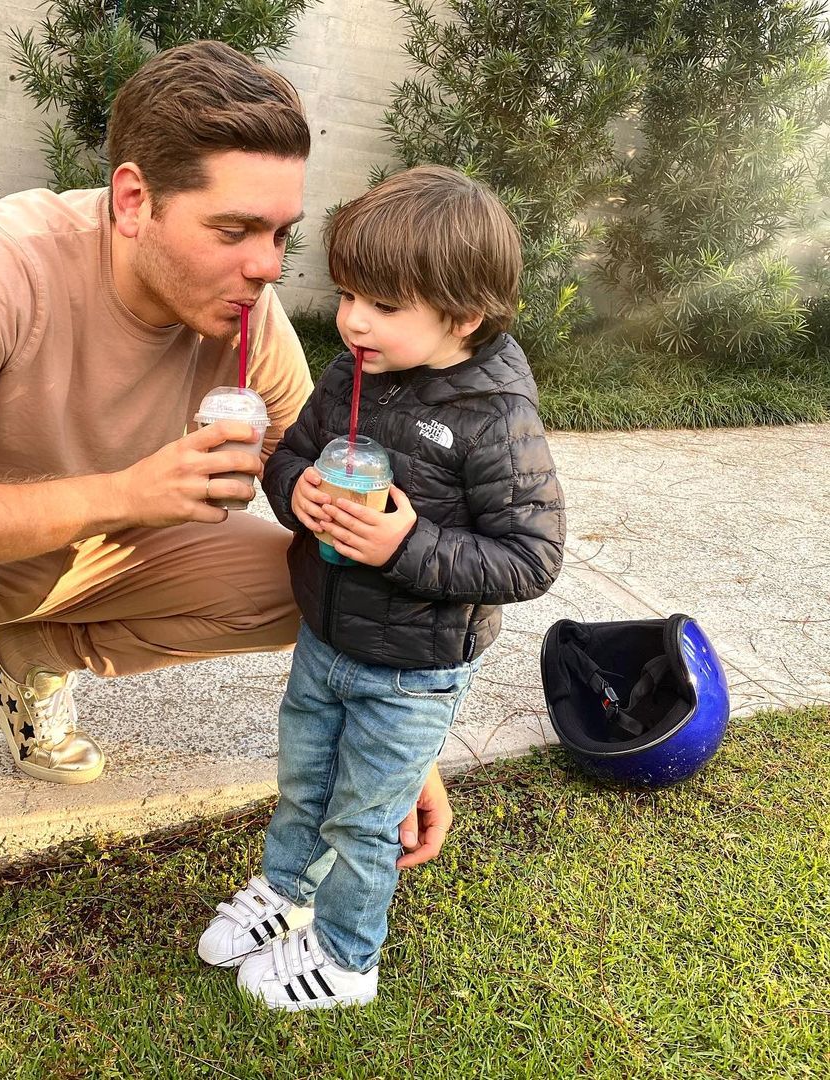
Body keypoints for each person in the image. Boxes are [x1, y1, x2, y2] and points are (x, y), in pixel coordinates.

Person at [0, 42, 455, 974]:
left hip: (103, 565)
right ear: (135, 199)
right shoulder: (2, 267)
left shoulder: (246, 315)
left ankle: (22, 660)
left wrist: (403, 746)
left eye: (282, 234)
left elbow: (331, 510)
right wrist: (124, 493)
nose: (266, 267)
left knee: (312, 580)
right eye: (235, 230)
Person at [198, 166, 567, 1010]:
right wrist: (293, 491)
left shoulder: (495, 417)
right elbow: (292, 452)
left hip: (413, 671)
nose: (353, 319)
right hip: (325, 636)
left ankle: (346, 957)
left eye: (384, 304)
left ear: (462, 316)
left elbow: (531, 558)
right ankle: (285, 890)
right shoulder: (351, 372)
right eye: (348, 294)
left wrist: (408, 546)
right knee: (305, 782)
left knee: (366, 817)